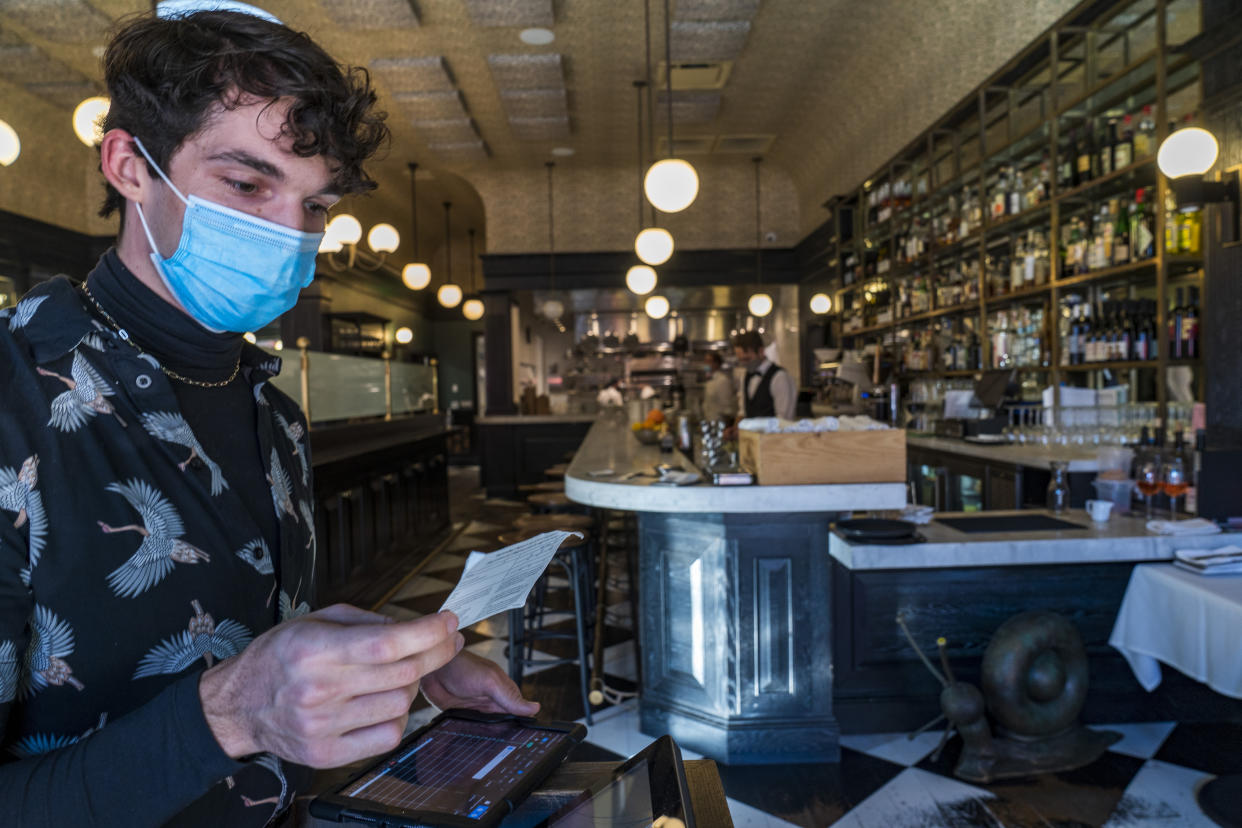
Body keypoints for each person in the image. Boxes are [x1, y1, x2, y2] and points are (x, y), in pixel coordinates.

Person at [0, 7, 536, 826]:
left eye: (315, 207)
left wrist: (389, 668)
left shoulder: (274, 414)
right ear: (128, 165)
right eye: (247, 183)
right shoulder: (16, 400)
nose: (289, 233)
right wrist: (230, 715)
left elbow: (230, 627)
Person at [733, 330, 795, 420]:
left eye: (747, 359)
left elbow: (784, 419)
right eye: (740, 360)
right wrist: (735, 428)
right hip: (750, 433)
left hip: (772, 434)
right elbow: (743, 410)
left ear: (761, 351)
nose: (744, 364)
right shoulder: (745, 376)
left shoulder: (779, 376)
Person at [700, 351, 736, 424]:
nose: (706, 364)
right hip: (709, 422)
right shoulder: (709, 380)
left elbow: (727, 408)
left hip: (719, 423)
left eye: (709, 361)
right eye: (705, 361)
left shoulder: (722, 380)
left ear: (716, 364)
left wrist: (726, 426)